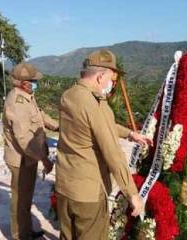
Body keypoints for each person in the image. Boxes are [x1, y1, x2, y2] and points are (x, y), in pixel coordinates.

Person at [56, 49, 152, 240]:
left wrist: (130, 134)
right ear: (100, 76)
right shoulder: (95, 104)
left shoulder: (69, 95)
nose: (112, 83)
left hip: (65, 186)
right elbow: (113, 153)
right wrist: (132, 193)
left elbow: (94, 124)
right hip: (88, 194)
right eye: (111, 78)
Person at [3, 63, 59, 240]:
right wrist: (44, 158)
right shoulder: (17, 102)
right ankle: (20, 235)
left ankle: (26, 231)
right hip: (21, 159)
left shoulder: (27, 96)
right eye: (33, 81)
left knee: (26, 198)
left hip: (29, 157)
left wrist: (59, 126)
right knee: (20, 200)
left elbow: (40, 115)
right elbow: (24, 138)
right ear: (23, 82)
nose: (36, 83)